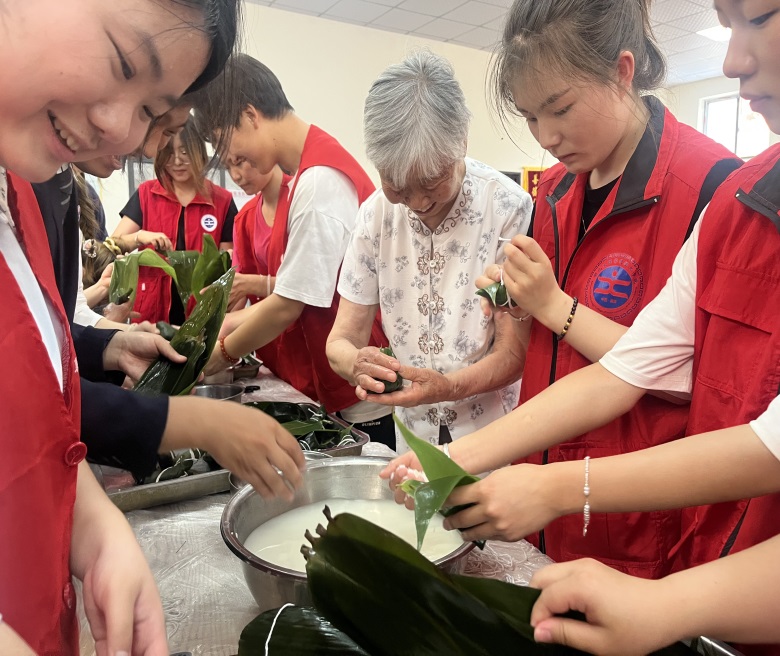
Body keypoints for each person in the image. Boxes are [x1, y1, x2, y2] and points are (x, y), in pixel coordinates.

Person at [384, 0, 779, 648]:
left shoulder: (711, 183)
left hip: (646, 522)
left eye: (759, 19)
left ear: (621, 73)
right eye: (529, 117)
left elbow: (741, 421)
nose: (545, 135)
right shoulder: (568, 193)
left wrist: (562, 483)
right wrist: (455, 458)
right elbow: (626, 367)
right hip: (600, 517)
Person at [0, 2, 295, 655]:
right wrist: (188, 420)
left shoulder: (21, 193)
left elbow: (32, 392)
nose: (121, 133)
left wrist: (91, 527)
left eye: (150, 113)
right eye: (122, 62)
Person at [326, 50, 531, 452]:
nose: (418, 202)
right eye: (398, 186)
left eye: (433, 180)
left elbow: (513, 352)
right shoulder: (375, 215)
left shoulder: (507, 207)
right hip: (411, 437)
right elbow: (341, 341)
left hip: (495, 434)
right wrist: (356, 364)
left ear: (462, 143)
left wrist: (448, 387)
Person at [194, 54, 393, 446]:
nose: (230, 161)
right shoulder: (309, 173)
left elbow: (288, 304)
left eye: (223, 143)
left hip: (362, 382)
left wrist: (225, 352)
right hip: (345, 373)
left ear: (249, 115)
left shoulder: (320, 182)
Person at [112, 118, 237, 324]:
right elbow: (114, 244)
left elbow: (227, 265)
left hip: (200, 311)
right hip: (150, 313)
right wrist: (140, 236)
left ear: (199, 151)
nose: (177, 161)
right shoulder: (147, 194)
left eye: (185, 152)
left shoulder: (222, 201)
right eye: (169, 153)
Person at [225, 154, 287, 311]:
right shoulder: (244, 219)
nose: (235, 176)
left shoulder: (304, 200)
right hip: (267, 323)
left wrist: (256, 285)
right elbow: (238, 290)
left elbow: (312, 282)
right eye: (227, 167)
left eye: (239, 162)